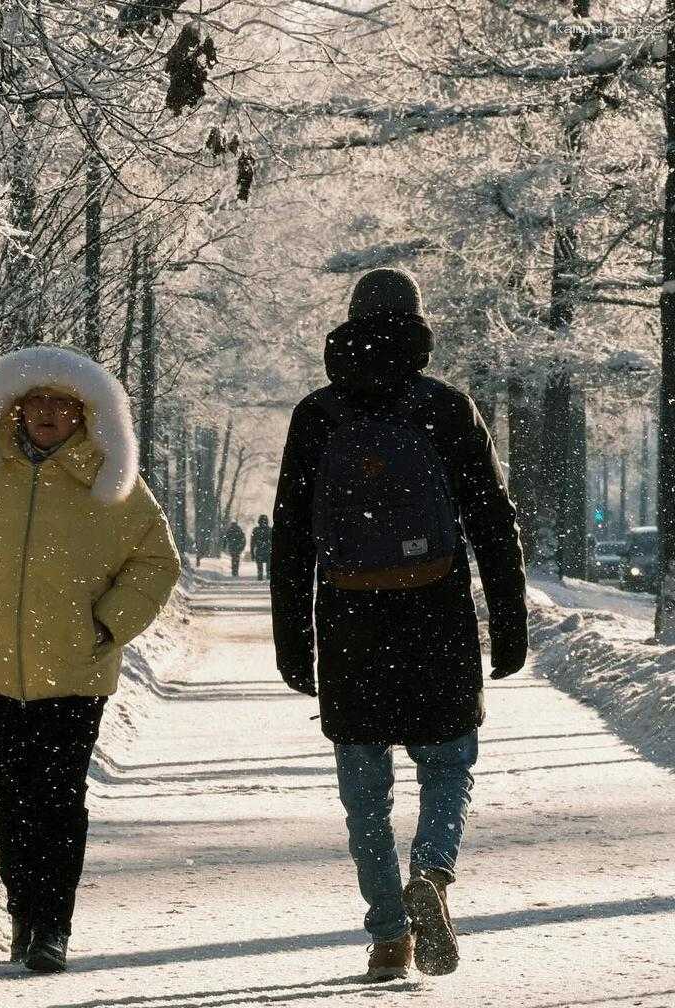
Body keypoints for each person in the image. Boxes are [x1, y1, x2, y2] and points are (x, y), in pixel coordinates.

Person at [269, 267, 527, 983]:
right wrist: (509, 623)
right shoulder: (447, 408)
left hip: (350, 620)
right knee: (448, 762)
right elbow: (493, 521)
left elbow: (290, 538)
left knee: (364, 786)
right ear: (418, 328)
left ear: (349, 325)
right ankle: (433, 873)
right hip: (435, 613)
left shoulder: (318, 415)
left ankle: (388, 936)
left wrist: (293, 643)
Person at [0, 345, 179, 974]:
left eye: (62, 402)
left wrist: (108, 623)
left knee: (58, 799)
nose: (48, 413)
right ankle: (23, 915)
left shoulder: (111, 477)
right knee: (9, 797)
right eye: (36, 401)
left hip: (77, 669)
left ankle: (52, 925)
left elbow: (155, 561)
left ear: (84, 412)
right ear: (15, 408)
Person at [251, 515, 272, 581]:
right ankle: (268, 575)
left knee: (259, 564)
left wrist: (252, 553)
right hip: (268, 550)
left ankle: (260, 575)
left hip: (259, 550)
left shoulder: (256, 530)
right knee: (269, 564)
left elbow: (252, 542)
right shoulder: (270, 530)